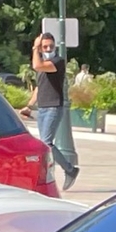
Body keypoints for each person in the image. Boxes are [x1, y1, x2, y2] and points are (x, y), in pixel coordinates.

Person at [29, 31, 74, 187]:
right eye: (45, 46)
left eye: (51, 46)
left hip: (54, 107)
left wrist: (35, 47)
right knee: (44, 144)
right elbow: (39, 88)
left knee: (46, 143)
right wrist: (29, 105)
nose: (48, 49)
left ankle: (69, 169)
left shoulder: (57, 61)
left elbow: (36, 65)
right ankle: (49, 173)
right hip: (42, 108)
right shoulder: (43, 65)